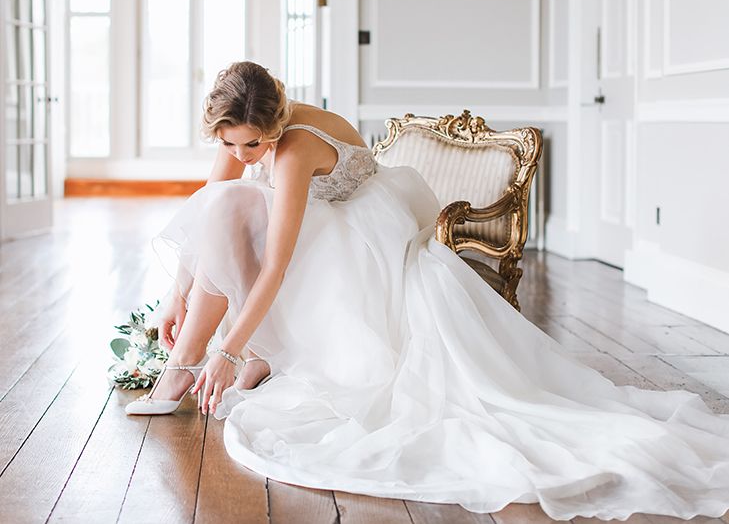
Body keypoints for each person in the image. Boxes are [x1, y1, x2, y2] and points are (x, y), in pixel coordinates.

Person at [126, 61, 729, 520]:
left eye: (250, 144)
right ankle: (199, 359)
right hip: (316, 224)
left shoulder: (291, 145)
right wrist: (177, 295)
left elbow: (279, 263)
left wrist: (228, 345)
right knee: (226, 200)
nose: (240, 154)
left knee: (236, 203)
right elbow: (207, 208)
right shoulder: (247, 132)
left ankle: (204, 363)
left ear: (276, 123)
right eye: (228, 144)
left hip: (358, 241)